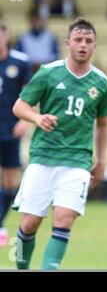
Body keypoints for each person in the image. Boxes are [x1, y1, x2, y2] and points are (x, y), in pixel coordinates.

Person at [12, 18, 107, 269]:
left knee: (64, 221)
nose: (83, 45)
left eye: (88, 41)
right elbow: (19, 106)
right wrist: (37, 117)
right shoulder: (48, 73)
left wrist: (101, 161)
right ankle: (21, 267)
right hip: (43, 156)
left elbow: (103, 124)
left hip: (78, 161)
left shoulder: (102, 83)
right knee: (29, 224)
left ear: (95, 46)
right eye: (78, 40)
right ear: (68, 43)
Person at [0, 22, 31, 247]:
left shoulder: (19, 62)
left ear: (6, 36)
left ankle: (0, 223)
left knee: (10, 182)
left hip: (10, 130)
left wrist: (24, 119)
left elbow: (30, 93)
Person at [15, 8, 59, 73]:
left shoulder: (50, 37)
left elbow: (55, 57)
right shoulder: (22, 38)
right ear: (29, 21)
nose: (35, 22)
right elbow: (20, 57)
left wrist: (42, 65)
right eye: (33, 20)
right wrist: (31, 65)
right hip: (28, 71)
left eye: (37, 20)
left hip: (47, 71)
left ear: (42, 20)